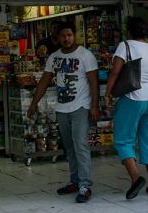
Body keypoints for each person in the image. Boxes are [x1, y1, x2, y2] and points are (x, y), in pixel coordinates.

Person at [27, 22, 99, 203]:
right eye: (63, 36)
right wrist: (34, 103)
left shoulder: (85, 55)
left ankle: (85, 185)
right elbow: (44, 80)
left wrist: (95, 106)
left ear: (75, 36)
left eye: (69, 35)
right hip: (62, 108)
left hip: (81, 106)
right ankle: (74, 181)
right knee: (69, 147)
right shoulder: (54, 57)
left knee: (80, 145)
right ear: (58, 38)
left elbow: (94, 82)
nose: (66, 39)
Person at [103, 17, 148, 199]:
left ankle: (136, 178)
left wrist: (107, 94)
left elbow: (116, 71)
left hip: (133, 97)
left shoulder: (126, 45)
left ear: (129, 33)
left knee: (123, 140)